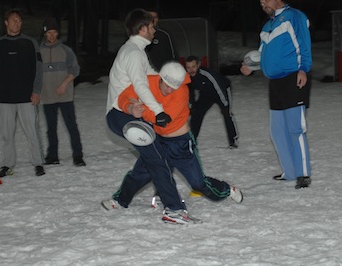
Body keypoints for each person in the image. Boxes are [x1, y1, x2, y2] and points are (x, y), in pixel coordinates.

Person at [102, 62, 243, 224]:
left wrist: (140, 107)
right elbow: (122, 97)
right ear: (160, 78)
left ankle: (226, 189)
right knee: (140, 173)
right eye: (167, 85)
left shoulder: (181, 91)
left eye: (173, 87)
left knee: (198, 183)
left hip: (180, 144)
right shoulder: (147, 82)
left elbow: (162, 119)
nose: (170, 90)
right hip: (156, 139)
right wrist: (130, 108)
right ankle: (119, 200)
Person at [103, 9, 189, 224]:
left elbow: (155, 78)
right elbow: (141, 86)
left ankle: (120, 199)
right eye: (151, 27)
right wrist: (159, 112)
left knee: (150, 158)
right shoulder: (132, 52)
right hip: (121, 115)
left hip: (129, 115)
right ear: (142, 29)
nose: (154, 30)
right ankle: (174, 209)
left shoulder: (137, 51)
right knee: (157, 157)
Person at [240, 0, 312, 189]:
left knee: (295, 128)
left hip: (293, 78)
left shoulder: (294, 16)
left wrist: (303, 69)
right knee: (277, 130)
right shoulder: (267, 26)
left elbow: (304, 44)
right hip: (275, 82)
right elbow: (262, 54)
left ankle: (303, 174)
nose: (262, 3)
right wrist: (251, 67)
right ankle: (289, 173)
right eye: (261, 1)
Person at [0, 9, 45, 177]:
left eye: (19, 20)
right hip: (4, 98)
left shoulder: (30, 43)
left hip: (27, 97)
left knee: (32, 131)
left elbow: (39, 70)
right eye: (13, 20)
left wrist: (36, 91)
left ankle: (38, 163)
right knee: (7, 134)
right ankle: (7, 165)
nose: (16, 23)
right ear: (6, 23)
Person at [40, 17, 86, 166]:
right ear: (45, 33)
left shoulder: (66, 50)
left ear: (58, 33)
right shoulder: (38, 52)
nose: (52, 35)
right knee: (50, 129)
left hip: (65, 96)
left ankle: (78, 156)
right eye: (49, 32)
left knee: (72, 126)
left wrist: (64, 84)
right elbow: (33, 73)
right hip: (47, 96)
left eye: (54, 32)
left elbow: (75, 70)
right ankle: (52, 156)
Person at [185, 56, 239, 148]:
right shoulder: (187, 77)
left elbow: (219, 87)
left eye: (193, 66)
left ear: (198, 65)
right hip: (206, 94)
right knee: (196, 113)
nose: (191, 70)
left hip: (222, 91)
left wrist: (225, 104)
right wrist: (192, 106)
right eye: (188, 68)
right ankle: (192, 140)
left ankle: (233, 141)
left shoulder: (207, 74)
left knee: (227, 114)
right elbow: (189, 92)